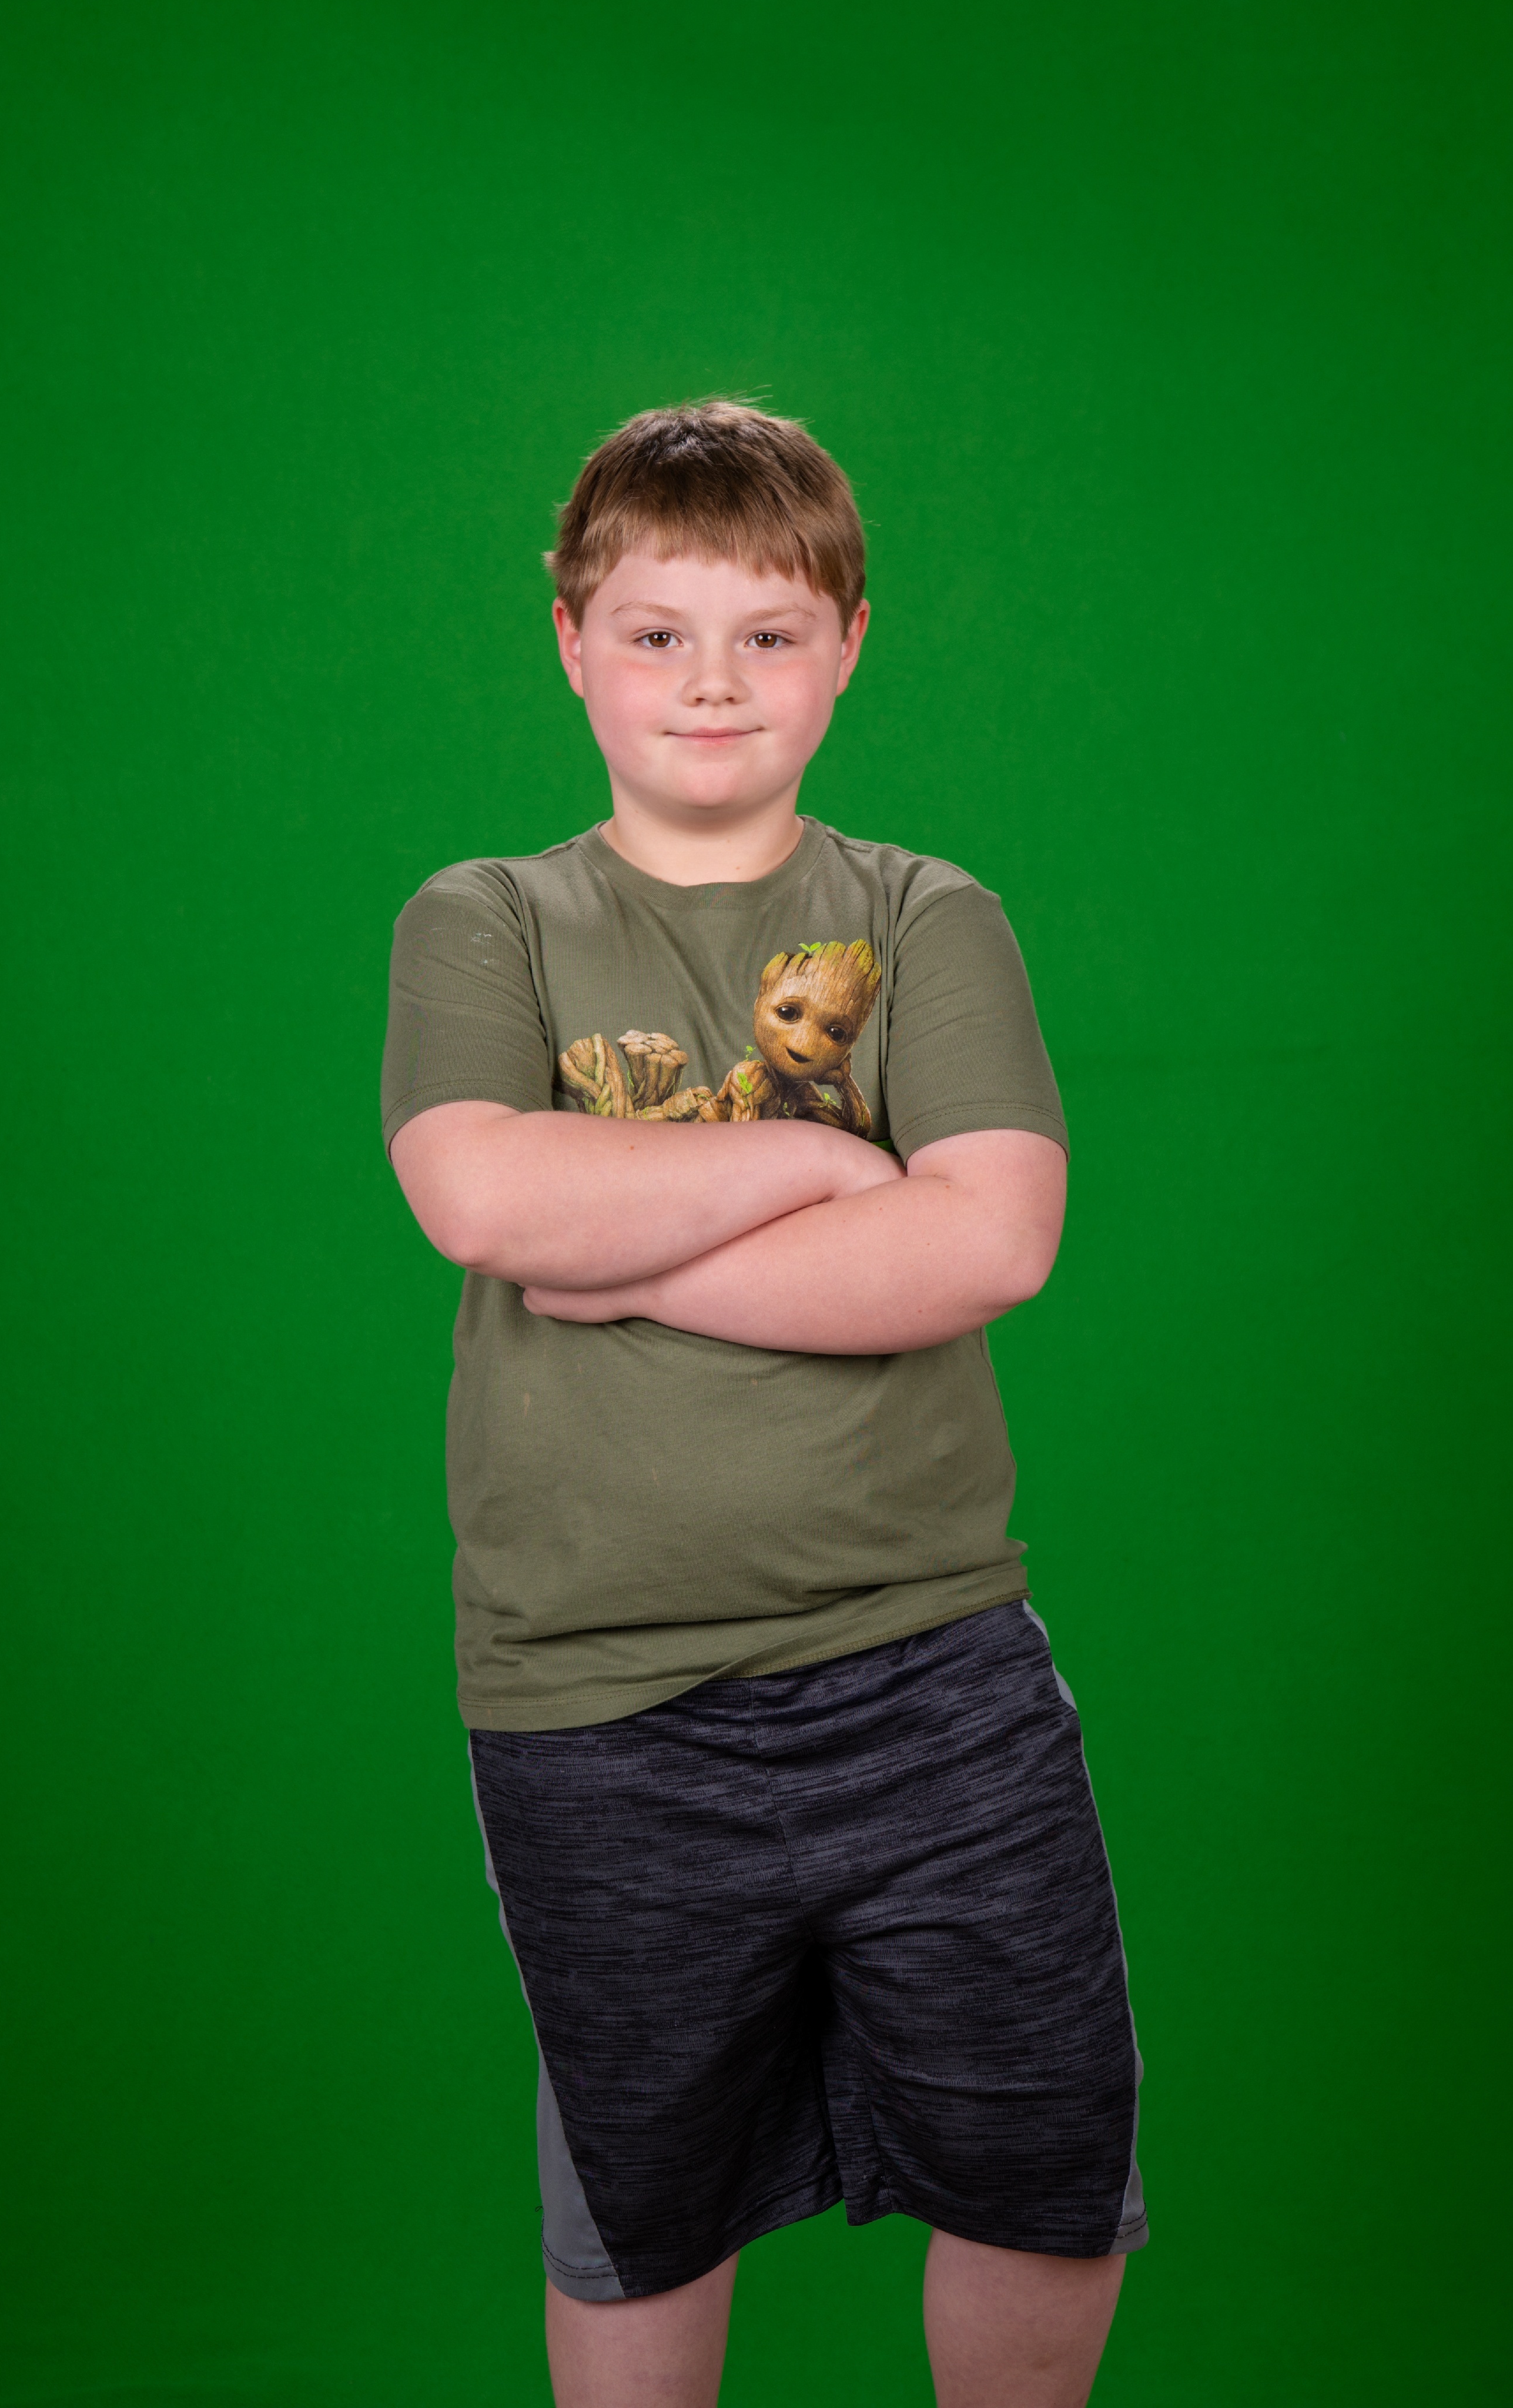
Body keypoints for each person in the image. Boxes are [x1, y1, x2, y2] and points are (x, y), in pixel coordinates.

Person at [381, 401, 1144, 2408]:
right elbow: (481, 1195)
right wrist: (824, 1160)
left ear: (849, 646)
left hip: (933, 1668)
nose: (711, 681)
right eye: (658, 633)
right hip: (595, 1694)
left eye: (768, 634)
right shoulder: (488, 920)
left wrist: (620, 1246)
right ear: (572, 641)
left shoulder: (924, 915)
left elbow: (989, 1243)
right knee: (645, 2205)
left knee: (1045, 2170)